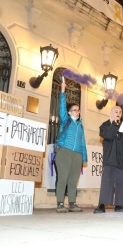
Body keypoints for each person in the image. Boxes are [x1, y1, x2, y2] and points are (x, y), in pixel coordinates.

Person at [94, 106, 123, 214]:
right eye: (116, 112)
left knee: (121, 182)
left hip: (122, 158)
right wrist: (114, 124)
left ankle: (119, 205)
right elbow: (108, 136)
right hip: (110, 158)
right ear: (112, 113)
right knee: (107, 182)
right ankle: (102, 205)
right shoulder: (105, 125)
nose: (118, 113)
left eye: (120, 112)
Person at [55, 80, 87, 213]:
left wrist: (84, 157)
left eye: (78, 110)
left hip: (77, 154)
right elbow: (62, 107)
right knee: (63, 177)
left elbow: (83, 142)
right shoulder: (65, 120)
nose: (77, 112)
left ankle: (72, 203)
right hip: (64, 151)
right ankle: (60, 203)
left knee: (73, 179)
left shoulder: (81, 126)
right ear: (69, 112)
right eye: (74, 110)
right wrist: (62, 91)